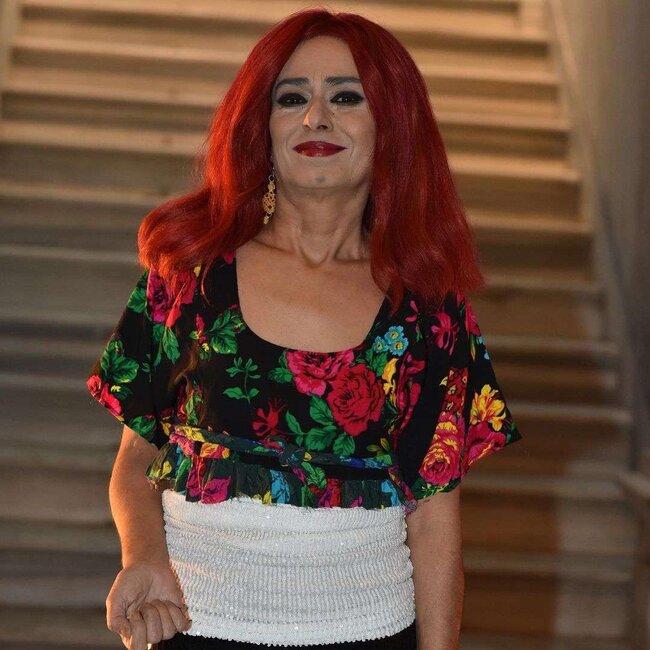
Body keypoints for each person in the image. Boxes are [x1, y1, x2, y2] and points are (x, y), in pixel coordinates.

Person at [85, 8, 523, 650]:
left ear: (392, 127)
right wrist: (143, 556)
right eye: (292, 98)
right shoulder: (188, 278)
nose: (317, 117)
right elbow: (135, 460)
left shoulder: (430, 312)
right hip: (197, 628)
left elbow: (435, 518)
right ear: (261, 127)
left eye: (346, 97)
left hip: (372, 634)